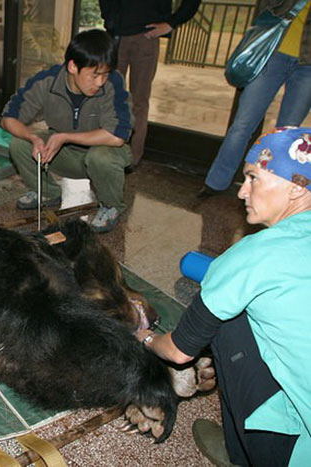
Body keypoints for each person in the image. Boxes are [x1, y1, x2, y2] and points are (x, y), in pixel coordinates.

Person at [137, 127, 311, 466]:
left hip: (298, 452)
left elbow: (178, 350)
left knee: (224, 322)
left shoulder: (252, 255)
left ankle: (241, 451)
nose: (242, 191)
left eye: (253, 178)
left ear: (295, 187)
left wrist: (146, 339)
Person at [1, 29, 133, 233]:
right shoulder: (47, 81)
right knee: (19, 144)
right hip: (64, 155)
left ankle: (111, 206)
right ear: (72, 66)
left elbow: (117, 136)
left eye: (104, 74)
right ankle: (46, 192)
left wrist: (64, 137)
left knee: (102, 158)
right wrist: (32, 137)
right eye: (94, 75)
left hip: (101, 153)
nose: (100, 82)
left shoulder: (113, 83)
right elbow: (9, 118)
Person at [199, 0, 311, 197]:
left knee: (287, 133)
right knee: (242, 124)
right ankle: (215, 183)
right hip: (272, 53)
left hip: (307, 64)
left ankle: (267, 191)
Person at [99, 0, 201, 167]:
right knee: (109, 97)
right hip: (116, 36)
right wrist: (110, 18)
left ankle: (131, 159)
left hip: (146, 36)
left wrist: (171, 23)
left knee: (138, 102)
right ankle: (104, 152)